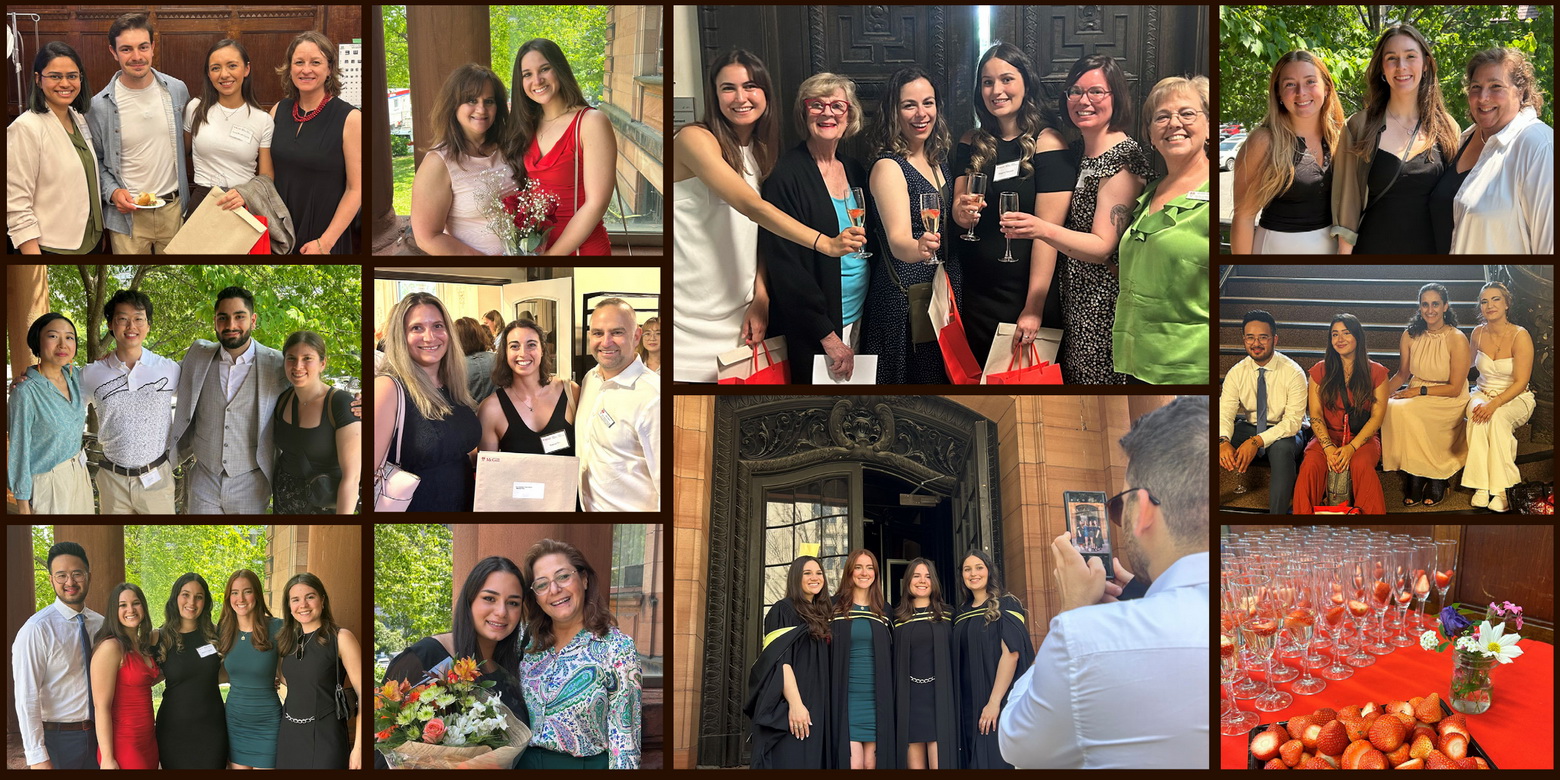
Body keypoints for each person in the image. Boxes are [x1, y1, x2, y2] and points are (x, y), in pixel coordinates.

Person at [1000, 396, 1209, 768]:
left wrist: (1072, 611)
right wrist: (1141, 596)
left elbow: (1017, 743)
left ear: (1142, 509)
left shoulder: (1084, 640)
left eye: (1120, 504)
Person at [671, 49, 864, 382]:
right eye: (727, 88)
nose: (740, 97)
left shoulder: (760, 151)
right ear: (714, 94)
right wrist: (827, 245)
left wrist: (761, 296)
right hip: (688, 318)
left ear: (765, 95)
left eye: (750, 86)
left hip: (742, 317)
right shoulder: (693, 138)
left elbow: (759, 237)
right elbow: (754, 208)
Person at [1027, 54, 1151, 384]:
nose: (1084, 101)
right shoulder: (1082, 150)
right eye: (1075, 91)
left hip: (1105, 305)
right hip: (1078, 300)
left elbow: (1102, 247)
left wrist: (1041, 228)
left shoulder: (1122, 157)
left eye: (1096, 91)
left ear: (1117, 97)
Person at [949, 43, 1070, 367]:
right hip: (973, 295)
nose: (996, 90)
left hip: (1023, 295)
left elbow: (1050, 236)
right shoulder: (969, 141)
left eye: (1006, 79)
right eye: (987, 82)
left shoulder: (1048, 142)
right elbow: (959, 215)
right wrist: (960, 213)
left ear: (1025, 84)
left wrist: (1034, 307)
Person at [763, 72, 871, 383]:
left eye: (838, 106)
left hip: (860, 315)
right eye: (816, 105)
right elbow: (785, 266)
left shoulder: (854, 170)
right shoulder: (785, 175)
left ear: (849, 115)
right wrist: (827, 336)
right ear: (803, 112)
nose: (827, 113)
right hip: (817, 327)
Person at [1113, 75, 1211, 385]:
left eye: (1187, 113)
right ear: (1151, 136)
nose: (1174, 123)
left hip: (1189, 368)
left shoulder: (1221, 193)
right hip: (1138, 361)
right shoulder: (1148, 193)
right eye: (1162, 117)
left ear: (1208, 125)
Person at [1331, 25, 1458, 254]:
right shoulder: (1359, 126)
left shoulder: (1448, 128)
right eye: (1392, 58)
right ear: (1382, 67)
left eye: (1410, 56)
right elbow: (1347, 203)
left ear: (1426, 64)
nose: (1402, 67)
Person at [863, 66, 954, 384]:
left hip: (936, 292)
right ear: (894, 111)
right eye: (909, 105)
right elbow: (898, 240)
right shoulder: (888, 166)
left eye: (928, 103)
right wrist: (917, 248)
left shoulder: (937, 159)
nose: (921, 113)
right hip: (905, 298)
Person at [518, 539, 642, 768]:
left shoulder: (617, 648)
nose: (554, 590)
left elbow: (625, 740)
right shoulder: (529, 647)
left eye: (563, 576)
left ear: (584, 579)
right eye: (542, 584)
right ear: (535, 595)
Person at [167, 286, 286, 514]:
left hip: (252, 482)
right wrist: (120, 359)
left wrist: (352, 402)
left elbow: (310, 390)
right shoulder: (198, 355)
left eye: (239, 317)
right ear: (215, 322)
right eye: (223, 318)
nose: (231, 325)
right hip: (204, 479)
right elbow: (163, 377)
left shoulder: (277, 364)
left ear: (253, 320)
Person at [88, 13, 191, 254]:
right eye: (126, 49)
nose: (136, 57)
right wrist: (112, 192)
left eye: (143, 47)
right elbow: (98, 161)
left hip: (173, 210)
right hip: (127, 217)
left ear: (153, 47)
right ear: (113, 52)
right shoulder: (98, 106)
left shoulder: (176, 90)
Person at [373, 292, 481, 512]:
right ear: (400, 336)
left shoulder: (454, 385)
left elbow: (456, 448)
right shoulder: (389, 388)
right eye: (417, 328)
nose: (430, 337)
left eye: (438, 326)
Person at [382, 556, 528, 719]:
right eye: (489, 598)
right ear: (469, 601)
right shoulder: (428, 655)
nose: (501, 611)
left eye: (513, 603)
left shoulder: (515, 670)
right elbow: (385, 724)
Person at [1231, 51, 1345, 254]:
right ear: (1278, 94)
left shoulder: (1339, 137)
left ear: (1326, 88)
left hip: (1331, 251)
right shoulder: (1264, 141)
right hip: (1277, 251)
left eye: (1310, 81)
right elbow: (1244, 218)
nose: (1301, 92)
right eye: (1290, 84)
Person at [508, 38, 613, 255]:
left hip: (581, 249)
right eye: (527, 74)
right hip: (539, 248)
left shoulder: (591, 122)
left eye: (544, 69)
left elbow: (597, 204)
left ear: (560, 70)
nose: (537, 80)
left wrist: (551, 257)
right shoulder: (526, 126)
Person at [1445, 48, 1553, 254]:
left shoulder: (1538, 145)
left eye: (1496, 86)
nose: (1483, 97)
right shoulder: (1462, 141)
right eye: (1476, 87)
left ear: (1520, 92)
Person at [82, 289, 179, 514]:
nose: (131, 326)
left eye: (138, 319)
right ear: (110, 325)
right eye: (122, 319)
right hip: (112, 481)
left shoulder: (169, 369)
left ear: (148, 325)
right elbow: (62, 397)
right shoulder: (91, 374)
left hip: (157, 479)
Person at [12, 542, 104, 769]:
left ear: (89, 576)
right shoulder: (37, 629)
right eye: (61, 575)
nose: (70, 582)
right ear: (51, 579)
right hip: (58, 740)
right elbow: (26, 697)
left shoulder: (101, 624)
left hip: (102, 736)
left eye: (77, 574)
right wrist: (37, 757)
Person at [6, 41, 102, 254]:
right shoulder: (25, 128)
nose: (65, 83)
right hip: (52, 247)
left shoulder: (78, 118)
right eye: (55, 76)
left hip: (91, 241)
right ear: (39, 79)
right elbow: (16, 204)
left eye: (72, 76)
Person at [270, 31, 361, 254]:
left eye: (315, 62)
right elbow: (267, 176)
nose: (306, 69)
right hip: (280, 232)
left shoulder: (350, 118)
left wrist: (326, 241)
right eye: (299, 62)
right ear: (290, 68)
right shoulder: (277, 111)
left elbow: (356, 189)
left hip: (324, 235)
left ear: (329, 68)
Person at [1382, 282, 1470, 507]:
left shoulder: (1456, 338)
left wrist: (1418, 392)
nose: (1430, 310)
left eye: (1435, 304)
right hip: (1417, 388)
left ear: (1445, 306)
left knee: (1411, 410)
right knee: (1391, 408)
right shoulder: (1410, 335)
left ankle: (1437, 476)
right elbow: (1402, 375)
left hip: (1448, 395)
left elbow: (1455, 387)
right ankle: (1415, 473)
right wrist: (1380, 397)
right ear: (1419, 308)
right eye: (1425, 305)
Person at [412, 64, 513, 255]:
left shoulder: (509, 148)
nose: (481, 109)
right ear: (454, 105)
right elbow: (427, 237)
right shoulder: (439, 163)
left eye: (489, 101)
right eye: (472, 100)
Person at [1295, 315, 1390, 514]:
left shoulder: (1377, 372)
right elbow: (1316, 414)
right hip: (1326, 436)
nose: (1340, 339)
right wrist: (1328, 447)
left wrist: (1351, 448)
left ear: (1358, 337)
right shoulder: (1320, 371)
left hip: (1361, 438)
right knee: (1311, 465)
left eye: (1346, 333)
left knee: (1361, 465)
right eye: (1335, 334)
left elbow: (1377, 418)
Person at [745, 556, 831, 769]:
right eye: (807, 573)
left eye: (819, 573)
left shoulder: (821, 614)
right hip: (793, 700)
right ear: (795, 578)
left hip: (817, 701)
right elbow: (781, 661)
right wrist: (796, 704)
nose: (815, 577)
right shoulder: (784, 609)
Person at [1218, 310, 1306, 514]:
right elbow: (1225, 412)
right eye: (1250, 337)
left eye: (1263, 337)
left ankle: (1278, 516)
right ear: (1243, 339)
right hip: (1249, 427)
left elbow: (1292, 423)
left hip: (1284, 430)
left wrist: (1256, 441)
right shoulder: (1236, 372)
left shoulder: (1293, 373)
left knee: (1283, 451)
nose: (1256, 343)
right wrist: (1222, 441)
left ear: (1274, 338)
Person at [577, 299, 660, 511]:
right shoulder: (590, 379)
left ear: (636, 336)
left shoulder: (654, 397)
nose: (606, 342)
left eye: (616, 332)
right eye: (597, 333)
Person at [951, 549, 1030, 769]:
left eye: (979, 568)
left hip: (997, 699)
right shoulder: (960, 614)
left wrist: (994, 702)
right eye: (967, 569)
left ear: (989, 572)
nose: (973, 573)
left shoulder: (1006, 605)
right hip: (967, 703)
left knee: (994, 759)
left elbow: (1012, 654)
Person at [275, 573, 362, 769]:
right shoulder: (288, 641)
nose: (303, 605)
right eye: (295, 599)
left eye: (310, 596)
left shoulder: (341, 638)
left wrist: (359, 748)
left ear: (322, 599)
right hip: (289, 734)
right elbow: (292, 680)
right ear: (289, 606)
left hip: (326, 736)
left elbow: (365, 694)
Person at [7, 313, 92, 514]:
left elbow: (106, 373)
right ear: (38, 341)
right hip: (49, 481)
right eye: (53, 336)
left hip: (80, 472)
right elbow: (19, 450)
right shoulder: (25, 392)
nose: (63, 344)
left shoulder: (75, 378)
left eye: (69, 337)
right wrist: (23, 506)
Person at [1463, 282, 1535, 512]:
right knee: (1476, 416)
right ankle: (1482, 487)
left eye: (1495, 299)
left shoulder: (1520, 335)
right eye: (1484, 301)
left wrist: (1495, 403)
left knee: (1496, 419)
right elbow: (1463, 366)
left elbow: (1521, 381)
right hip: (1481, 392)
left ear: (1506, 304)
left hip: (1516, 396)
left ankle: (1504, 489)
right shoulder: (1477, 333)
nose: (1489, 305)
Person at [274, 330, 360, 514]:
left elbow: (352, 478)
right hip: (283, 506)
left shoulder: (340, 404)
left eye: (307, 358)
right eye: (291, 358)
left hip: (323, 507)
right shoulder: (283, 400)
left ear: (322, 363)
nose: (298, 366)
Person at [185, 38, 274, 213]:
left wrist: (245, 195)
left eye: (232, 66)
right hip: (202, 201)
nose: (224, 74)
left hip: (241, 202)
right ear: (209, 74)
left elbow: (266, 176)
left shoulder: (262, 119)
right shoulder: (195, 108)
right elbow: (181, 153)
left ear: (246, 69)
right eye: (215, 68)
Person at [829, 549, 896, 770]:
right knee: (853, 763)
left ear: (876, 573)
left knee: (872, 763)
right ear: (849, 572)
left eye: (869, 568)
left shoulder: (885, 611)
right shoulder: (833, 607)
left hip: (877, 699)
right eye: (858, 567)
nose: (864, 573)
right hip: (846, 699)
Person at [154, 572, 227, 768]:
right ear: (175, 597)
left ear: (205, 602)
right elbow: (139, 677)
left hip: (212, 729)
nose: (192, 602)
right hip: (173, 730)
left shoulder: (217, 634)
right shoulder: (159, 638)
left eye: (199, 596)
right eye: (185, 594)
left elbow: (231, 670)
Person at [479, 318, 578, 457]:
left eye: (531, 345)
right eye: (514, 346)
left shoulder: (571, 393)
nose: (523, 353)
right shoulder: (490, 409)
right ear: (505, 353)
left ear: (542, 349)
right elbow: (489, 472)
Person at [893, 558, 956, 769]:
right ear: (908, 580)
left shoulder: (948, 615)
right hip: (910, 700)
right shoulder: (897, 619)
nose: (922, 581)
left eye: (928, 576)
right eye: (917, 576)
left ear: (934, 582)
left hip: (940, 698)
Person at [217, 569, 282, 769]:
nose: (241, 598)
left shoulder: (279, 628)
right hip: (235, 719)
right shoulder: (222, 631)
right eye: (235, 593)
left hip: (268, 720)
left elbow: (289, 671)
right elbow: (218, 674)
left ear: (257, 594)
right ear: (229, 598)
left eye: (247, 591)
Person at [90, 583, 159, 769]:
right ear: (114, 611)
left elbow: (143, 681)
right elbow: (101, 706)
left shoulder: (141, 645)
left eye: (136, 603)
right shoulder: (110, 647)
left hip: (148, 741)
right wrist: (107, 758)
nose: (130, 609)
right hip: (124, 744)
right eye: (123, 605)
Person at [453, 316, 498, 403]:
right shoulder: (497, 359)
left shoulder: (454, 366)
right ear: (480, 334)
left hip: (467, 414)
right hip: (497, 412)